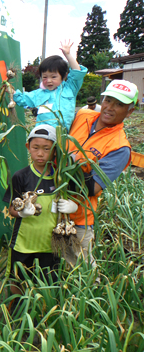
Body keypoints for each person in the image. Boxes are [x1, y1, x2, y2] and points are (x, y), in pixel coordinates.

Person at [65, 79, 137, 268]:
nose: (110, 108)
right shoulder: (83, 115)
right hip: (49, 204)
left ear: (130, 111)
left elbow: (92, 187)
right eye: (108, 100)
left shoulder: (120, 148)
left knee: (81, 269)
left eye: (119, 104)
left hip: (78, 216)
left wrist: (67, 169)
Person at [3, 125, 67, 297]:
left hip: (50, 244)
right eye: (35, 148)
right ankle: (14, 310)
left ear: (54, 151)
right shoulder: (21, 176)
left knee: (48, 284)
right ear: (28, 148)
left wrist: (71, 206)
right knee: (17, 280)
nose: (40, 154)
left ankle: (43, 315)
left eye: (47, 149)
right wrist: (22, 213)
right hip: (23, 243)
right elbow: (10, 209)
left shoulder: (60, 177)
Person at [13, 40, 87, 130]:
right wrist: (11, 91)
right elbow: (22, 98)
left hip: (64, 135)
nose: (49, 81)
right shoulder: (38, 94)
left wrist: (68, 55)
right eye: (44, 77)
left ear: (64, 76)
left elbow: (77, 73)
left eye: (53, 77)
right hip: (44, 135)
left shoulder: (70, 88)